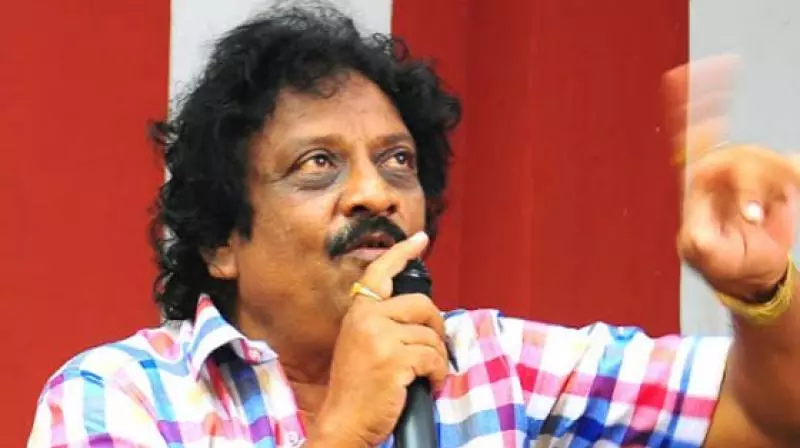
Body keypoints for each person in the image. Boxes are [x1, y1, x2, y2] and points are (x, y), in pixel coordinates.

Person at [27, 4, 800, 448]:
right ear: (221, 240)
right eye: (318, 165)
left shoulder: (494, 366)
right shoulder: (121, 395)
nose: (376, 193)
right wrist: (345, 428)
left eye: (398, 161)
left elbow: (768, 421)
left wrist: (763, 291)